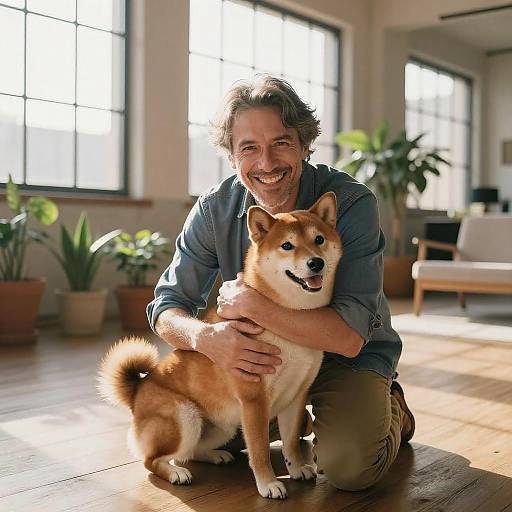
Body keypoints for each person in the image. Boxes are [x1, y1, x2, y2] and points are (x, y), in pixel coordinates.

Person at [147, 75, 415, 491]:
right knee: (218, 433)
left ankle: (387, 406)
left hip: (346, 356)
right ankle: (299, 414)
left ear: (305, 144)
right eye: (249, 148)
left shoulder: (350, 203)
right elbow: (167, 308)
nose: (267, 163)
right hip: (266, 363)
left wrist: (254, 306)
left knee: (349, 468)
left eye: (282, 143)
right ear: (232, 157)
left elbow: (348, 337)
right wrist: (206, 338)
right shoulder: (215, 209)